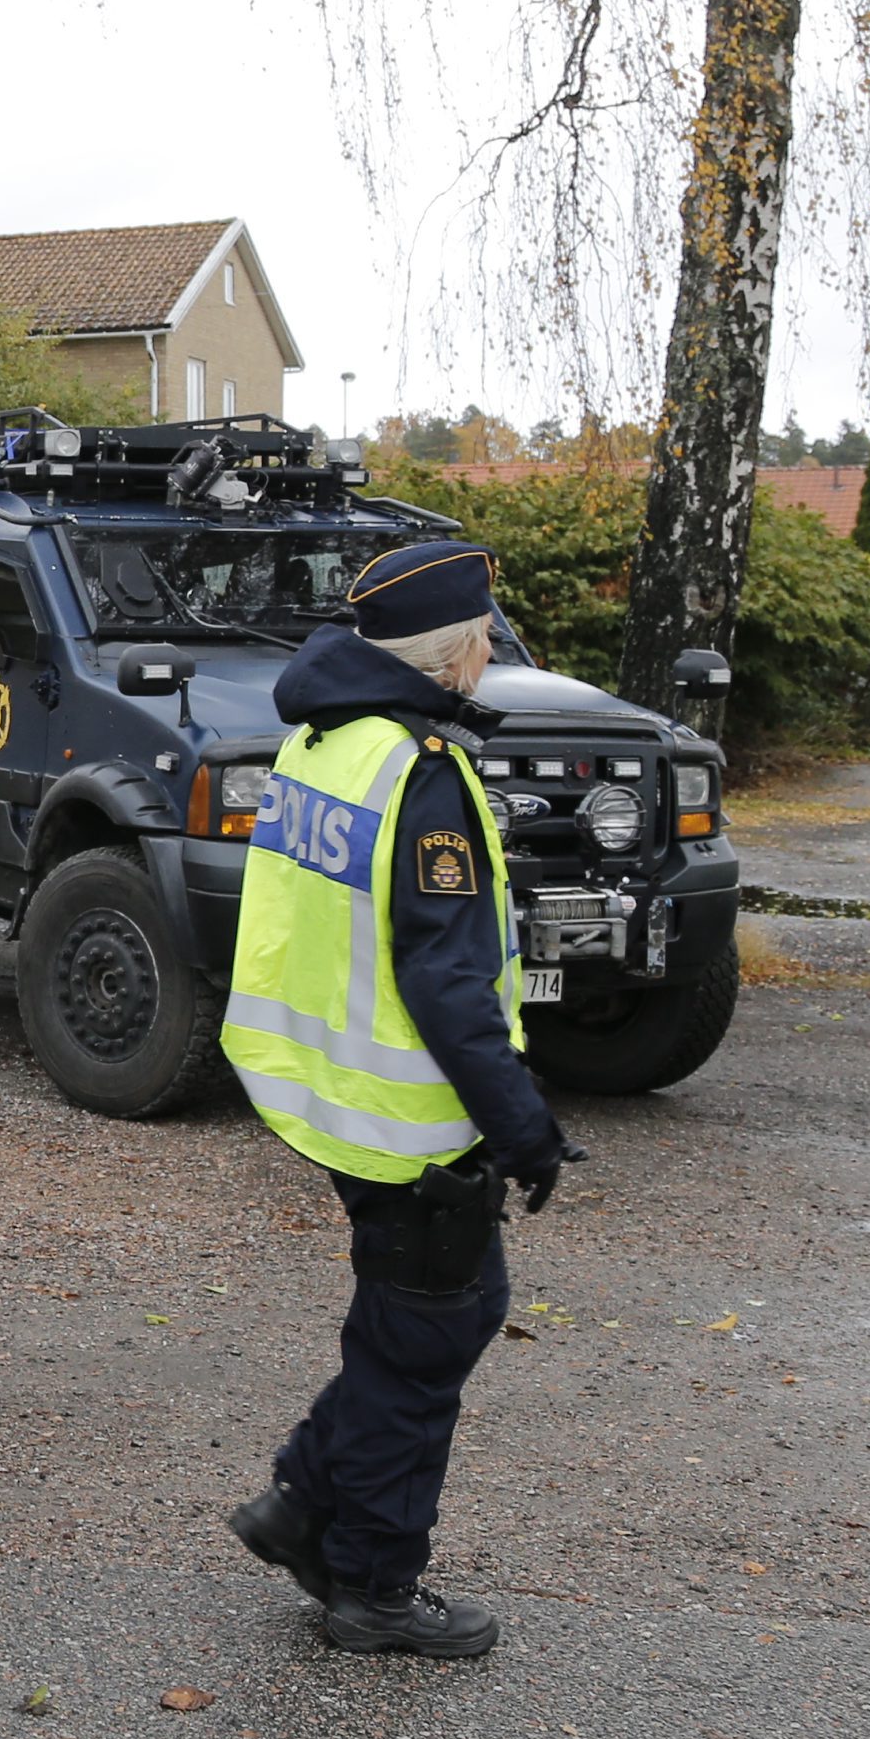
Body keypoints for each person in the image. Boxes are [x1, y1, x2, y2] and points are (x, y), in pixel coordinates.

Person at [216, 538, 574, 1659]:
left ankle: (300, 1502)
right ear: (450, 649)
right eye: (483, 634)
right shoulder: (420, 771)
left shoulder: (323, 738)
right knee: (425, 1344)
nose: (489, 650)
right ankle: (373, 1583)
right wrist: (523, 1125)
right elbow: (446, 977)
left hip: (330, 1091)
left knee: (416, 1324)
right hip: (410, 1118)